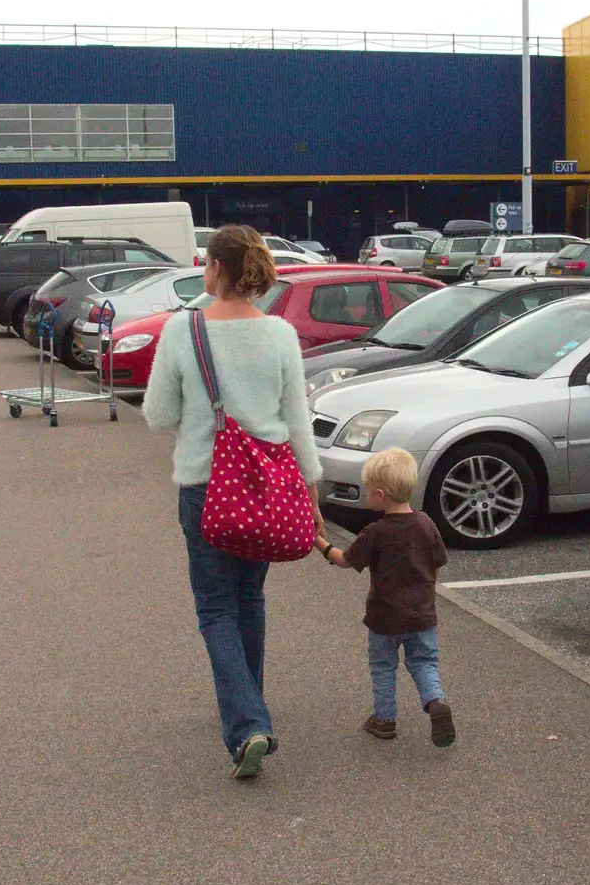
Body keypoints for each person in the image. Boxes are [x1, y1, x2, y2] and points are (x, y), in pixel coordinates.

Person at [143, 225, 323, 779]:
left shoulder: (183, 330)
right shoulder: (280, 335)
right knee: (250, 599)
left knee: (215, 606)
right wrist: (312, 498)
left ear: (216, 269)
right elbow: (298, 425)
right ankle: (252, 707)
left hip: (205, 487)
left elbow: (157, 416)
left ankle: (249, 724)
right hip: (268, 489)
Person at [314, 447, 456, 748]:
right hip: (422, 615)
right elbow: (437, 563)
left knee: (383, 667)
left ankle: (384, 719)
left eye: (368, 489)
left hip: (384, 618)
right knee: (424, 662)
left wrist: (319, 542)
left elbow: (344, 560)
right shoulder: (426, 524)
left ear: (379, 495)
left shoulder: (375, 532)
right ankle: (434, 702)